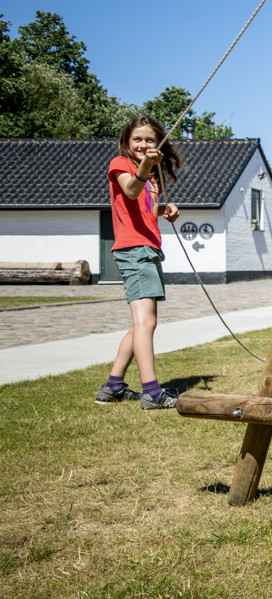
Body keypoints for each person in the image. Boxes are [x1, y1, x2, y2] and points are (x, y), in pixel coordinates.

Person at [94, 116, 183, 409]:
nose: (143, 144)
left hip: (146, 247)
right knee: (146, 321)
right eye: (137, 139)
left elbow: (139, 207)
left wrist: (163, 211)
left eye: (149, 140)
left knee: (140, 324)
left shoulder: (151, 175)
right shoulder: (120, 164)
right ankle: (152, 393)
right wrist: (146, 165)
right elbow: (130, 189)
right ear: (127, 142)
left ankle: (113, 387)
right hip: (135, 249)